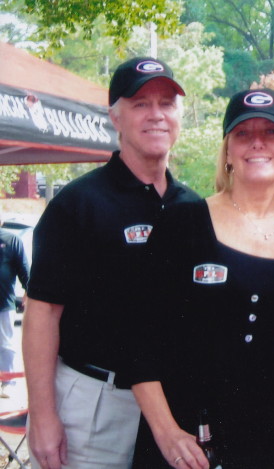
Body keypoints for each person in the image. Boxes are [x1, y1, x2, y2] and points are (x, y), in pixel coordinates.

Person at [129, 88, 274, 468]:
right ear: (227, 152)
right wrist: (167, 432)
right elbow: (138, 340)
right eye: (243, 133)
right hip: (188, 446)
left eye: (272, 132)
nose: (257, 143)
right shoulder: (182, 222)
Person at [23, 57, 199, 469]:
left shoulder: (191, 207)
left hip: (168, 404)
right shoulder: (78, 204)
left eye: (166, 103)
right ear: (114, 117)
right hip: (93, 404)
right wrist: (43, 415)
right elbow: (42, 314)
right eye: (140, 103)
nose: (156, 115)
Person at [0, 214, 29, 398]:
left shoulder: (11, 240)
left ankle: (7, 381)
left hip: (4, 304)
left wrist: (29, 292)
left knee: (6, 344)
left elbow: (25, 271)